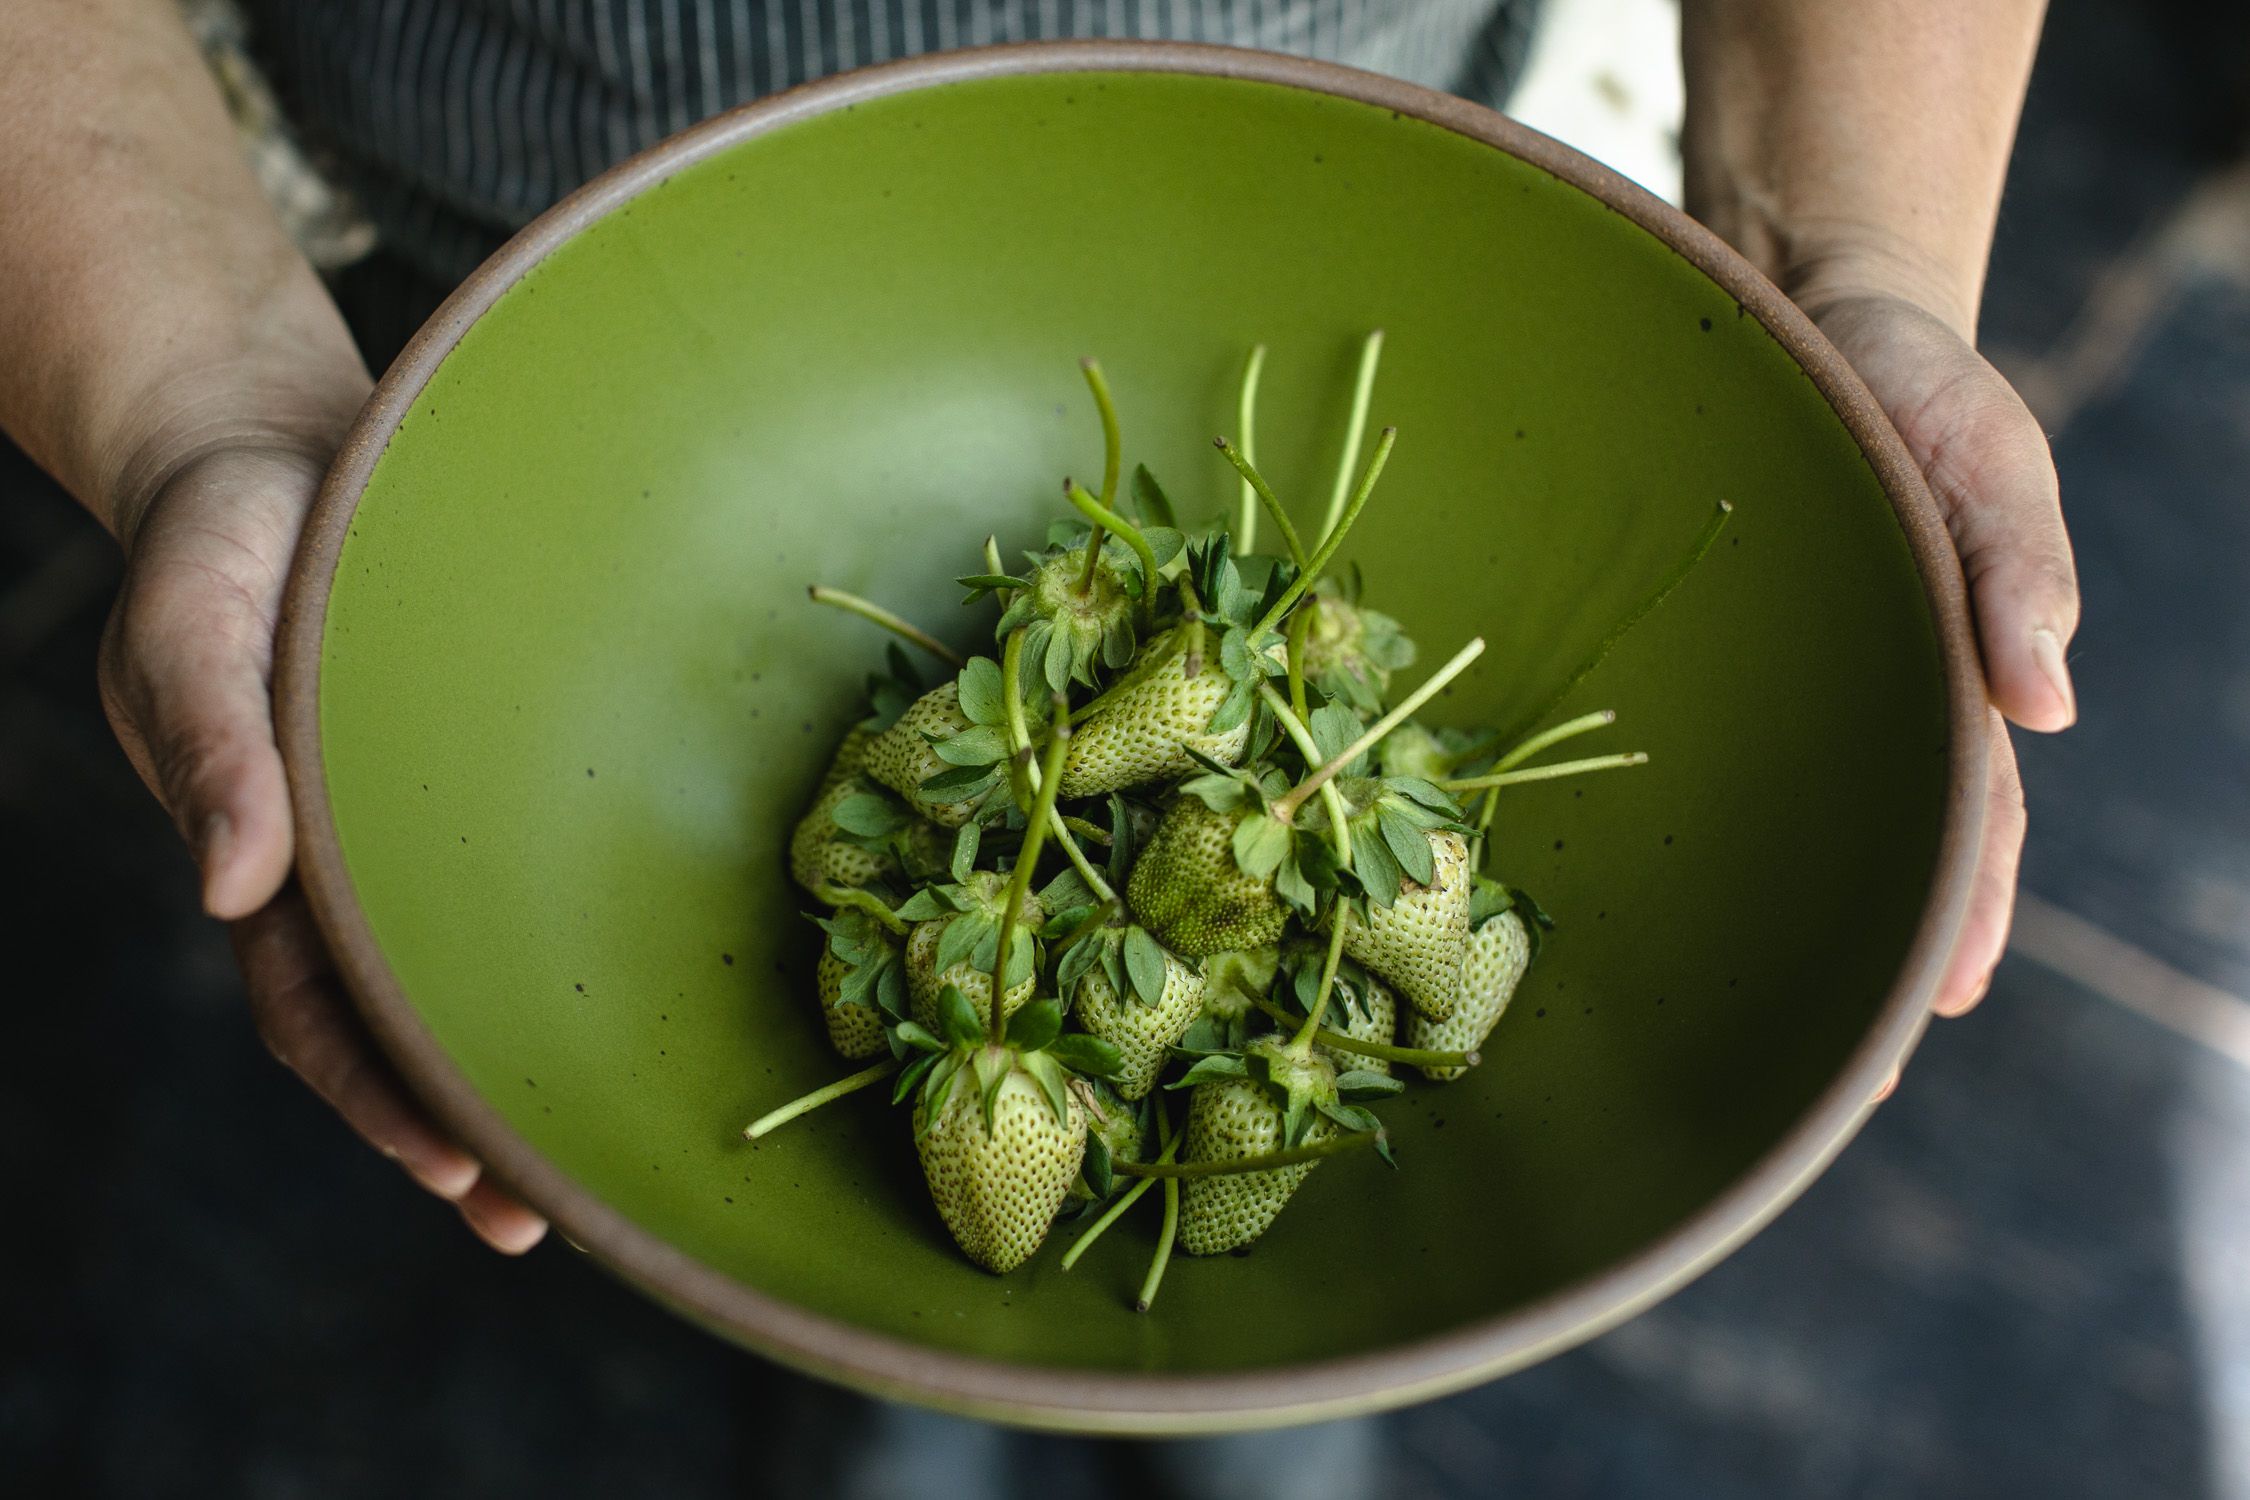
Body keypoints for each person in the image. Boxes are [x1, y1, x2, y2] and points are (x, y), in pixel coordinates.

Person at [0, 0, 2075, 1256]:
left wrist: (1850, 250)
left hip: (1363, 160)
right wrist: (207, 399)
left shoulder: (1171, 818)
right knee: (663, 1160)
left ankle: (1237, 1412)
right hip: (496, 265)